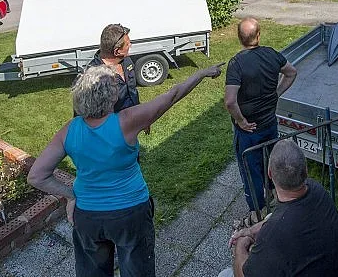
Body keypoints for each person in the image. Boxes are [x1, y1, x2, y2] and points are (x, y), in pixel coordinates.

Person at [28, 62, 224, 277]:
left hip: (88, 216)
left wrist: (71, 196)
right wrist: (202, 73)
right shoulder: (127, 121)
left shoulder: (69, 130)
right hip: (131, 214)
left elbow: (37, 176)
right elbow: (173, 95)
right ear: (112, 96)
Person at [219, 140, 338, 277]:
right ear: (305, 170)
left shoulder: (273, 236)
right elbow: (280, 218)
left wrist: (240, 246)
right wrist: (250, 231)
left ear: (269, 173)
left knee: (224, 274)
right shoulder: (317, 190)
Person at [225, 17, 298, 227]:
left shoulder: (236, 63)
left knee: (251, 170)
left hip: (249, 131)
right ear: (258, 35)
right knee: (271, 162)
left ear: (240, 38)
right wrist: (276, 94)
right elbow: (291, 73)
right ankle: (277, 196)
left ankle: (258, 213)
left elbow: (230, 101)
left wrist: (241, 122)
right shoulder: (272, 54)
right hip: (269, 124)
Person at [87, 24, 139, 111]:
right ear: (117, 51)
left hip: (135, 117)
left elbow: (133, 91)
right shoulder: (93, 77)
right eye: (127, 44)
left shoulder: (127, 61)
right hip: (115, 123)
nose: (130, 45)